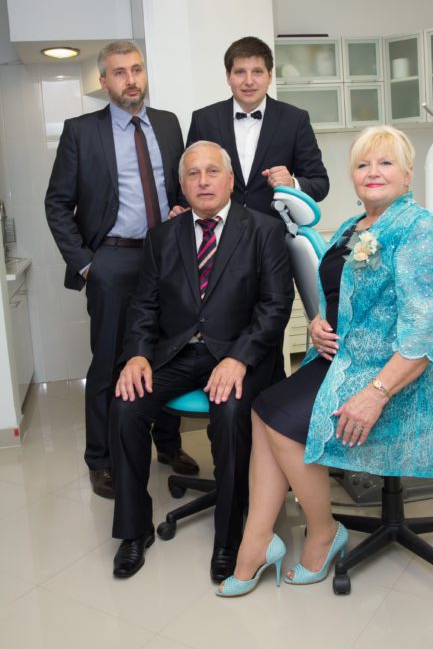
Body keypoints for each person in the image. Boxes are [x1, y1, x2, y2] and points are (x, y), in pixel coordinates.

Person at [216, 125, 433, 597]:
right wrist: (316, 321)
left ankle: (323, 531)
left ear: (408, 174)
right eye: (363, 164)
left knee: (282, 424)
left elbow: (425, 331)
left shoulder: (421, 229)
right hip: (345, 358)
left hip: (394, 373)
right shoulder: (355, 226)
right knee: (262, 410)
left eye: (385, 163)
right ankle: (258, 541)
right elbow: (338, 293)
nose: (373, 172)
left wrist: (376, 394)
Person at [109, 140, 294, 580]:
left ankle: (229, 539)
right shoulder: (162, 237)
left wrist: (239, 359)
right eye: (193, 174)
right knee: (125, 406)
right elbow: (144, 306)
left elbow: (275, 306)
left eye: (213, 172)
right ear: (182, 184)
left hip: (238, 354)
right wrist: (137, 356)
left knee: (229, 413)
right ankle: (134, 531)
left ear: (230, 180)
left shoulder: (264, 230)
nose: (203, 181)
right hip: (178, 353)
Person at [45, 41, 198, 500]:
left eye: (136, 69)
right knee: (111, 362)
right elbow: (57, 204)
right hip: (112, 259)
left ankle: (167, 444)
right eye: (119, 72)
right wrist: (87, 265)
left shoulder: (168, 124)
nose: (130, 80)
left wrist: (181, 208)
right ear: (104, 81)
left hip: (168, 257)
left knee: (167, 353)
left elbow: (180, 187)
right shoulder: (81, 131)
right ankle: (101, 458)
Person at [185, 36, 329, 217]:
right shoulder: (204, 120)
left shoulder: (295, 120)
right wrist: (182, 208)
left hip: (274, 229)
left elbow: (320, 184)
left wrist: (292, 183)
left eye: (257, 72)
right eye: (240, 72)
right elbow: (188, 177)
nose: (249, 81)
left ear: (270, 76)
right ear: (228, 77)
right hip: (216, 229)